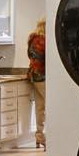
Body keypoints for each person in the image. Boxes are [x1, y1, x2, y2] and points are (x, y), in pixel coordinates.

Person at [27, 17, 46, 149]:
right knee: (50, 106)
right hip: (43, 76)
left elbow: (31, 56)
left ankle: (40, 137)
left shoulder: (33, 39)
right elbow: (46, 58)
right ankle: (48, 138)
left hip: (34, 75)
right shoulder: (43, 40)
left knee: (40, 107)